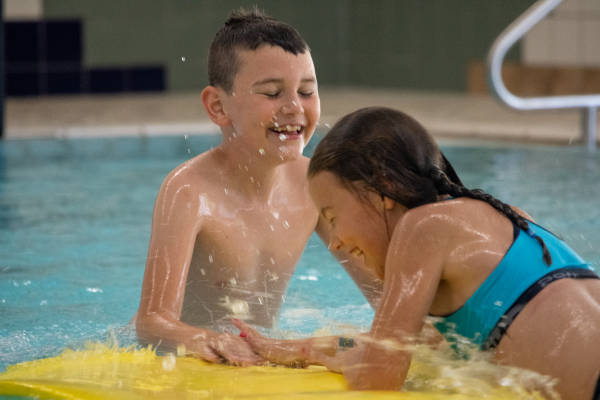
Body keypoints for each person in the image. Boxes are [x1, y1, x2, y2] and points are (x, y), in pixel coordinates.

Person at [234, 106, 600, 400]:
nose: (336, 242)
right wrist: (300, 350)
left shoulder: (423, 227)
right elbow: (421, 347)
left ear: (383, 191)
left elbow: (379, 378)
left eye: (332, 217)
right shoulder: (504, 221)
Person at [135, 8, 328, 366]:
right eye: (272, 93)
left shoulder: (316, 184)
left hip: (262, 358)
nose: (293, 108)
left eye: (306, 91)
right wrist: (210, 340)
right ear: (218, 106)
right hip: (195, 365)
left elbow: (383, 287)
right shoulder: (190, 191)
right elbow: (151, 322)